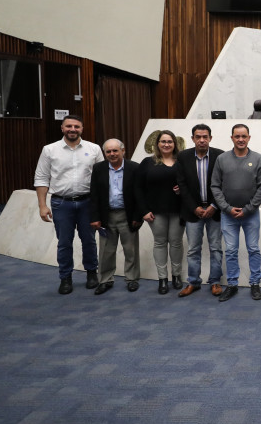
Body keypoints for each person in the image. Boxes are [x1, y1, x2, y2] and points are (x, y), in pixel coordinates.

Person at [34, 114, 104, 294]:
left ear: (82, 128)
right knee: (64, 242)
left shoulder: (94, 148)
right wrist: (42, 205)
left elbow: (102, 178)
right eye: (69, 126)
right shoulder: (49, 150)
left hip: (87, 202)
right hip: (61, 203)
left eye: (76, 126)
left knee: (89, 240)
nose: (72, 129)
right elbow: (41, 178)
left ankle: (91, 273)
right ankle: (65, 277)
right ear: (62, 128)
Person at [211, 123, 261, 302]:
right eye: (237, 136)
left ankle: (255, 284)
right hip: (228, 215)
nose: (241, 139)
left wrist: (248, 209)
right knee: (231, 251)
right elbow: (215, 186)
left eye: (244, 136)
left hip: (251, 215)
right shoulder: (222, 159)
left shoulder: (258, 159)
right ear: (232, 138)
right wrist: (227, 208)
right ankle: (233, 284)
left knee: (253, 249)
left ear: (249, 138)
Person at [176, 124, 225, 298]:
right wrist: (194, 207)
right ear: (193, 139)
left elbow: (224, 183)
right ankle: (193, 282)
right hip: (193, 211)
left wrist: (213, 206)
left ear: (210, 138)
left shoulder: (220, 155)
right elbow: (182, 185)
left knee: (216, 248)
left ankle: (215, 282)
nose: (202, 140)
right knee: (193, 249)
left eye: (205, 137)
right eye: (198, 137)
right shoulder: (183, 157)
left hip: (215, 210)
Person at [89, 139, 142, 294]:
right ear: (105, 153)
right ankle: (105, 280)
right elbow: (94, 195)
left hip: (127, 215)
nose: (112, 154)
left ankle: (132, 279)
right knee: (106, 251)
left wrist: (138, 216)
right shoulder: (99, 168)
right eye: (108, 151)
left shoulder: (134, 168)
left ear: (123, 151)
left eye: (115, 151)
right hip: (107, 216)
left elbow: (139, 194)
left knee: (131, 250)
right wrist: (94, 217)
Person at [136, 130, 184, 295]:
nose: (166, 144)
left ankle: (176, 275)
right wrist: (143, 211)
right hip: (155, 212)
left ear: (174, 144)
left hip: (178, 210)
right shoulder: (147, 163)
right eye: (163, 141)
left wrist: (181, 191)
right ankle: (162, 278)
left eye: (170, 141)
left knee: (176, 243)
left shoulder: (181, 162)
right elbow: (137, 188)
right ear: (157, 144)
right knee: (160, 243)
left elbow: (190, 185)